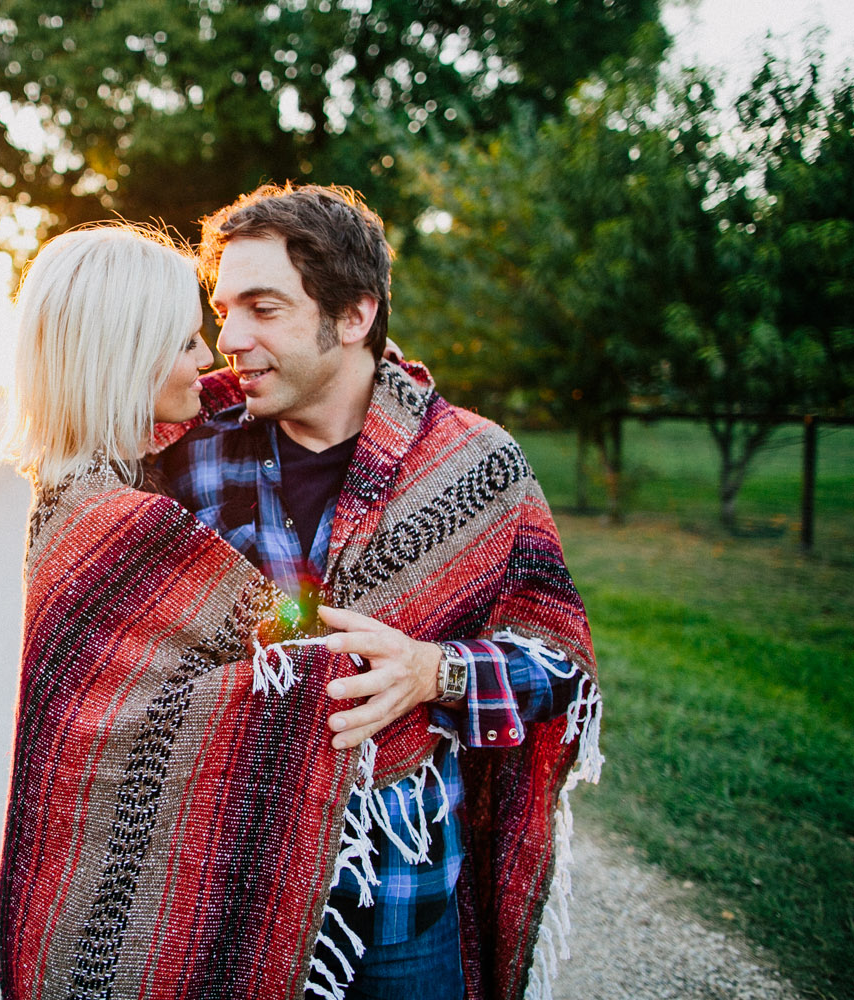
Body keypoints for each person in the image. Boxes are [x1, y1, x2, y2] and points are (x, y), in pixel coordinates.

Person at [150, 183, 602, 1000]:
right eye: (225, 312)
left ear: (354, 315)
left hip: (404, 900)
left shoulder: (474, 465)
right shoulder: (186, 455)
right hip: (230, 885)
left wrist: (436, 673)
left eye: (263, 308)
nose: (232, 340)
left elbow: (560, 664)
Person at [0, 223, 403, 1000]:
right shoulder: (123, 524)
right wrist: (413, 664)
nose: (209, 359)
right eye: (188, 340)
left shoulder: (77, 492)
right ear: (127, 353)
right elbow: (299, 656)